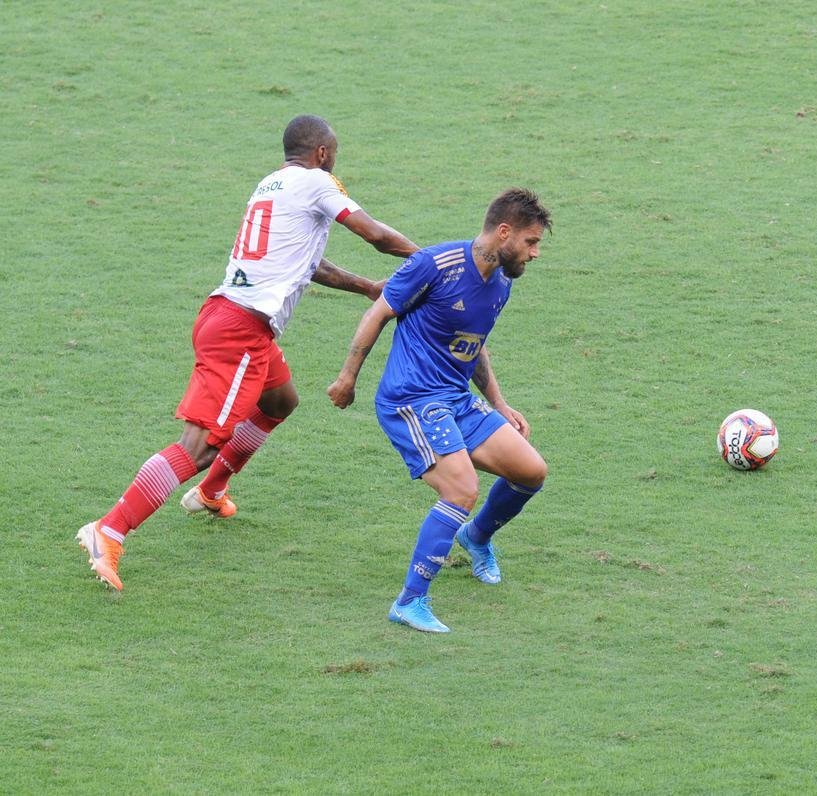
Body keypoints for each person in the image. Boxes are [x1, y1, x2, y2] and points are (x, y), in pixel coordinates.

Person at [76, 114, 420, 592]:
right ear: (322, 153)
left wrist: (365, 288)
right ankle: (109, 529)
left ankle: (211, 492)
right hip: (240, 331)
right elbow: (376, 235)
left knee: (280, 401)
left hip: (230, 319)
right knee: (197, 445)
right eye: (334, 151)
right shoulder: (318, 181)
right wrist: (430, 261)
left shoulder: (271, 185)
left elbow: (308, 263)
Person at [327, 188, 551, 633]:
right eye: (530, 242)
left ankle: (476, 538)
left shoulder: (501, 283)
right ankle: (410, 602)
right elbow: (377, 314)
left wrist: (499, 403)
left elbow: (474, 345)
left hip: (455, 399)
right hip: (411, 399)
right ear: (504, 233)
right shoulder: (435, 264)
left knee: (531, 471)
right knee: (461, 490)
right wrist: (347, 377)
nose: (535, 253)